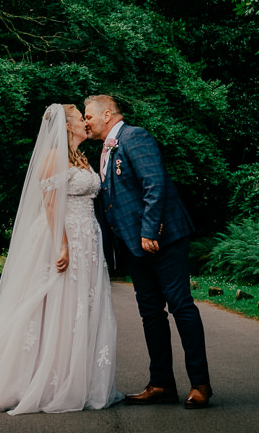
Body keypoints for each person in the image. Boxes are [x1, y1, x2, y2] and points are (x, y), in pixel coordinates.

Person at [0, 104, 121, 413]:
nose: (85, 122)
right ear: (67, 127)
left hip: (88, 240)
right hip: (63, 238)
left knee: (78, 307)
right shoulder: (53, 158)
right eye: (80, 118)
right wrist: (63, 245)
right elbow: (52, 206)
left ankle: (72, 377)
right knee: (55, 305)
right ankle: (42, 380)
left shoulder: (80, 158)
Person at [86, 92, 212, 408]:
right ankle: (161, 384)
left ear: (106, 114)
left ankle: (200, 384)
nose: (86, 121)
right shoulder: (106, 149)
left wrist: (149, 230)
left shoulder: (134, 136)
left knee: (181, 306)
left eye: (88, 115)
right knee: (150, 314)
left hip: (162, 238)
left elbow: (155, 184)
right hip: (134, 246)